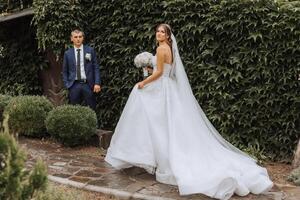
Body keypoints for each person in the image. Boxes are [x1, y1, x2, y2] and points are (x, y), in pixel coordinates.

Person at [105, 24, 273, 200]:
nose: (159, 34)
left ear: (168, 36)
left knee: (151, 116)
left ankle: (149, 156)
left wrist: (144, 82)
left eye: (162, 32)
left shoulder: (161, 48)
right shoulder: (169, 49)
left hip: (161, 87)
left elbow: (160, 73)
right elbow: (165, 71)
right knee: (162, 125)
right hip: (169, 87)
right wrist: (149, 69)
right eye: (157, 31)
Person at [62, 29, 101, 110]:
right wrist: (67, 84)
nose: (78, 39)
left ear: (83, 38)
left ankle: (92, 123)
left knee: (91, 109)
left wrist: (97, 83)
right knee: (74, 111)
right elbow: (65, 71)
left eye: (80, 36)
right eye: (75, 37)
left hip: (88, 84)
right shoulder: (67, 53)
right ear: (71, 39)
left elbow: (96, 67)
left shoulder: (90, 50)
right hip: (74, 85)